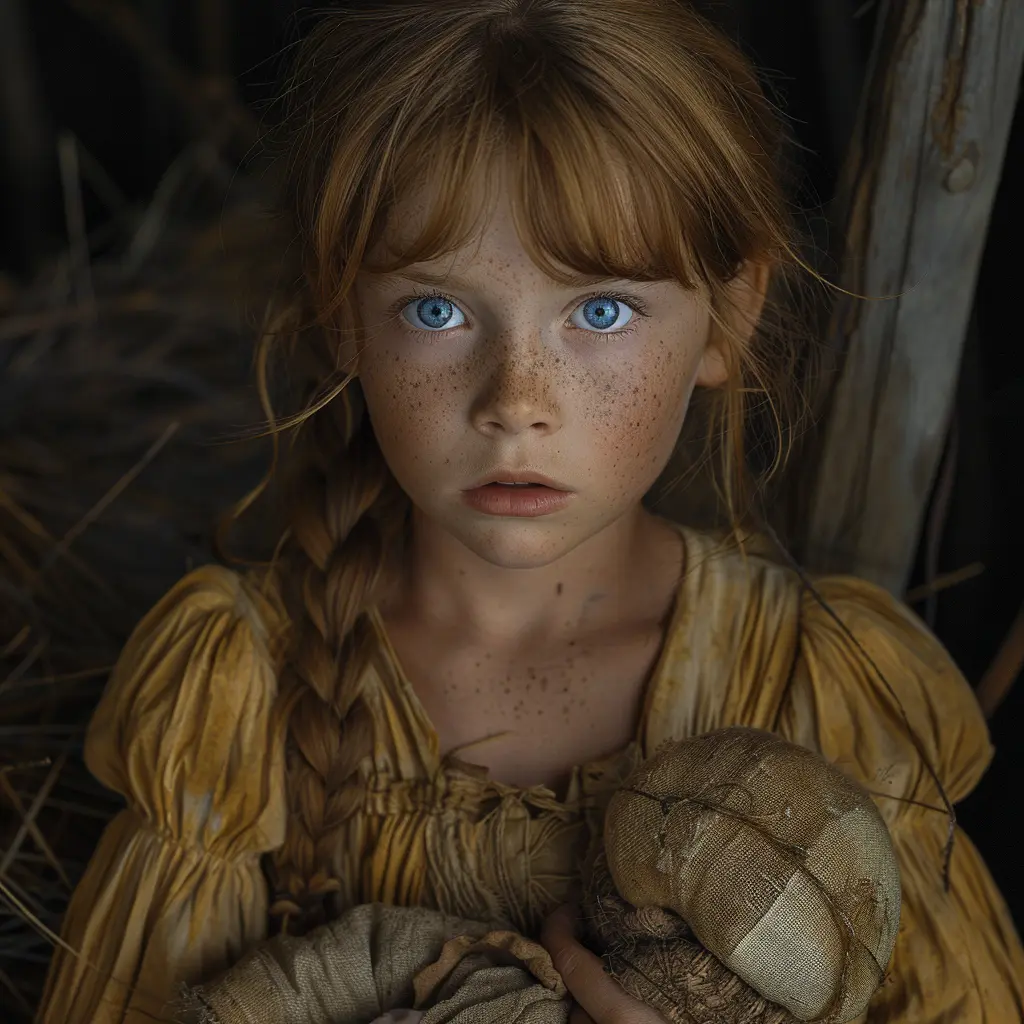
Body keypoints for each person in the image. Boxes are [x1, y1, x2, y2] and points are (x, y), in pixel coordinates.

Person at [35, 2, 1024, 1022]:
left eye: (599, 310)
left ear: (729, 316)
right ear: (342, 318)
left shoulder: (822, 693)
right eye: (438, 309)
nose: (516, 398)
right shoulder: (237, 695)